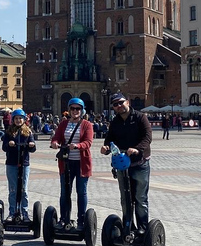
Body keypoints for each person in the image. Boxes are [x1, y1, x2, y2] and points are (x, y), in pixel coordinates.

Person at [101, 92, 153, 234]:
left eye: (121, 102)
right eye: (115, 104)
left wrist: (137, 149)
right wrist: (106, 148)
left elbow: (147, 137)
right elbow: (110, 139)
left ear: (128, 102)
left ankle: (142, 229)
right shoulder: (115, 122)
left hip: (140, 164)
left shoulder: (140, 117)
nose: (118, 106)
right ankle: (128, 227)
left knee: (140, 198)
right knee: (125, 198)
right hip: (123, 166)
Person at [50, 97, 94, 230]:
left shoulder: (87, 125)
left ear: (82, 110)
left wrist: (77, 146)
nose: (75, 111)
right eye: (73, 108)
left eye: (78, 109)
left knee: (81, 192)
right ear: (69, 110)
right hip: (66, 163)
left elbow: (88, 142)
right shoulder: (63, 124)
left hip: (81, 164)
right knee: (65, 192)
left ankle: (81, 220)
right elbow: (56, 137)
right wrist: (55, 143)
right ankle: (64, 219)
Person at [1, 109, 36, 222]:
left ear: (24, 120)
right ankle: (12, 212)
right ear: (13, 120)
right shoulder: (9, 132)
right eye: (16, 118)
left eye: (20, 118)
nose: (18, 120)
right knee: (13, 189)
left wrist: (31, 144)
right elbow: (4, 147)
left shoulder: (28, 132)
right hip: (11, 163)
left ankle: (24, 213)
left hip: (24, 164)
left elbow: (33, 149)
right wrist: (9, 144)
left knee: (24, 189)